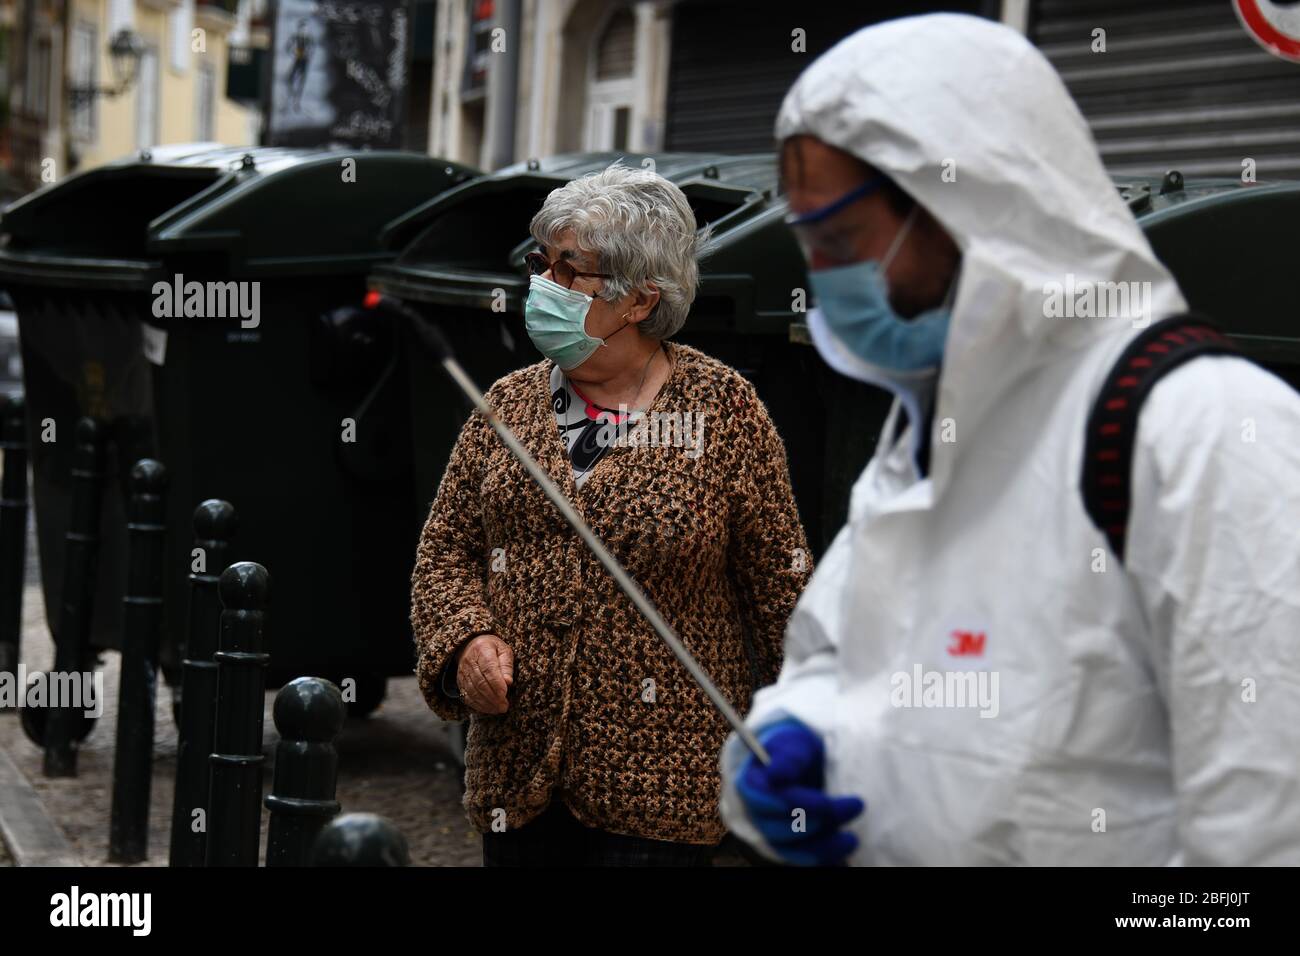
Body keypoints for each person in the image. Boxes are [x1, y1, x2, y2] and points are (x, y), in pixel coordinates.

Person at [719, 13, 1300, 866]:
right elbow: (837, 660)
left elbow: (1265, 837)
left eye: (842, 240)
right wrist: (787, 738)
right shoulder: (925, 429)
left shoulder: (1199, 436)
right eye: (809, 245)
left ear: (970, 204)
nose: (824, 280)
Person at [411, 164, 811, 866]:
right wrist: (466, 641)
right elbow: (445, 551)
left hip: (663, 791)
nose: (542, 285)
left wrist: (798, 746)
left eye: (570, 272)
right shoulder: (507, 405)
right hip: (519, 776)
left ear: (638, 299)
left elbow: (781, 589)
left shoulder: (724, 412)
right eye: (542, 263)